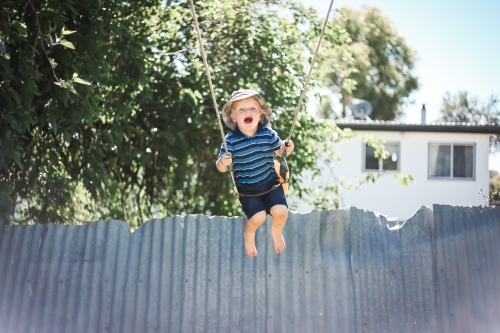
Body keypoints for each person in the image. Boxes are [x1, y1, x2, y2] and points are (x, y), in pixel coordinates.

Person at [216, 89, 294, 257]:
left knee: (281, 212)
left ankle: (276, 231)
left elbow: (281, 152)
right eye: (241, 110)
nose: (247, 112)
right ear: (233, 117)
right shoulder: (230, 141)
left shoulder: (267, 134)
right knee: (258, 217)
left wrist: (287, 147)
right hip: (247, 190)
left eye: (252, 108)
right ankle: (249, 234)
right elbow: (220, 167)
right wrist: (223, 162)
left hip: (271, 183)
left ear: (260, 114)